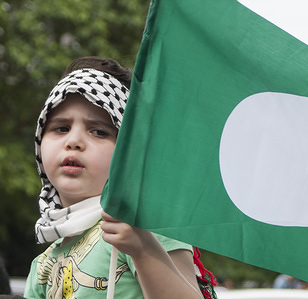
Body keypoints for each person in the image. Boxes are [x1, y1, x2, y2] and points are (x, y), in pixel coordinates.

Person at [24, 56, 216, 298]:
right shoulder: (42, 265)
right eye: (61, 128)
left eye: (99, 132)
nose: (73, 142)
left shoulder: (143, 227)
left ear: (129, 151)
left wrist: (144, 250)